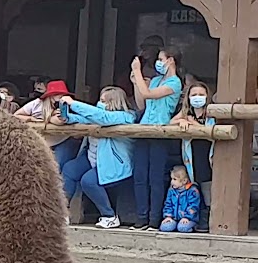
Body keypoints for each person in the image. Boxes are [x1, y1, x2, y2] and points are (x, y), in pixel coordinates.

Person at [57, 86, 137, 229]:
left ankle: (109, 216)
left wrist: (73, 103)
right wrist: (66, 116)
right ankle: (61, 213)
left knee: (88, 181)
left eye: (103, 101)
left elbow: (104, 118)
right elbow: (82, 118)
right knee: (69, 169)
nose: (99, 103)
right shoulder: (96, 115)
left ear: (114, 102)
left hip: (113, 163)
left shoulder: (126, 116)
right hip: (92, 157)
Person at [129, 47, 184, 229]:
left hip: (161, 131)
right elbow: (141, 102)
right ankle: (141, 217)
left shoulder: (175, 83)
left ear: (171, 60)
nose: (158, 62)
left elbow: (149, 94)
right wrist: (137, 82)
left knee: (155, 178)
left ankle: (154, 219)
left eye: (161, 59)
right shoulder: (154, 81)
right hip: (144, 129)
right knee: (139, 176)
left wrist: (137, 71)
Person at [172, 81, 215, 231]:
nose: (197, 98)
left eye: (201, 95)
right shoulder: (186, 113)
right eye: (194, 95)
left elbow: (213, 133)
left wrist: (194, 125)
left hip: (208, 155)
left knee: (208, 187)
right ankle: (195, 218)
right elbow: (169, 123)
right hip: (191, 156)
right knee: (195, 188)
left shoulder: (212, 113)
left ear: (207, 97)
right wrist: (182, 121)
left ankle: (207, 219)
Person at [14, 80, 81, 169]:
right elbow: (16, 115)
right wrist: (31, 119)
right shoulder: (36, 104)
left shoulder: (67, 105)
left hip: (62, 140)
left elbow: (60, 121)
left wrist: (49, 117)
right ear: (50, 95)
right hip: (41, 141)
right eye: (57, 94)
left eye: (63, 94)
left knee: (57, 167)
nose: (61, 97)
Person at [160, 166, 201, 233]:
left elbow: (193, 206)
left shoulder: (192, 191)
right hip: (174, 218)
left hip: (189, 219)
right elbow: (168, 204)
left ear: (184, 181)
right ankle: (175, 225)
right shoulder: (171, 190)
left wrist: (187, 217)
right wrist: (168, 216)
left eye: (175, 179)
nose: (172, 182)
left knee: (182, 228)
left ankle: (193, 226)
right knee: (165, 227)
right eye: (171, 179)